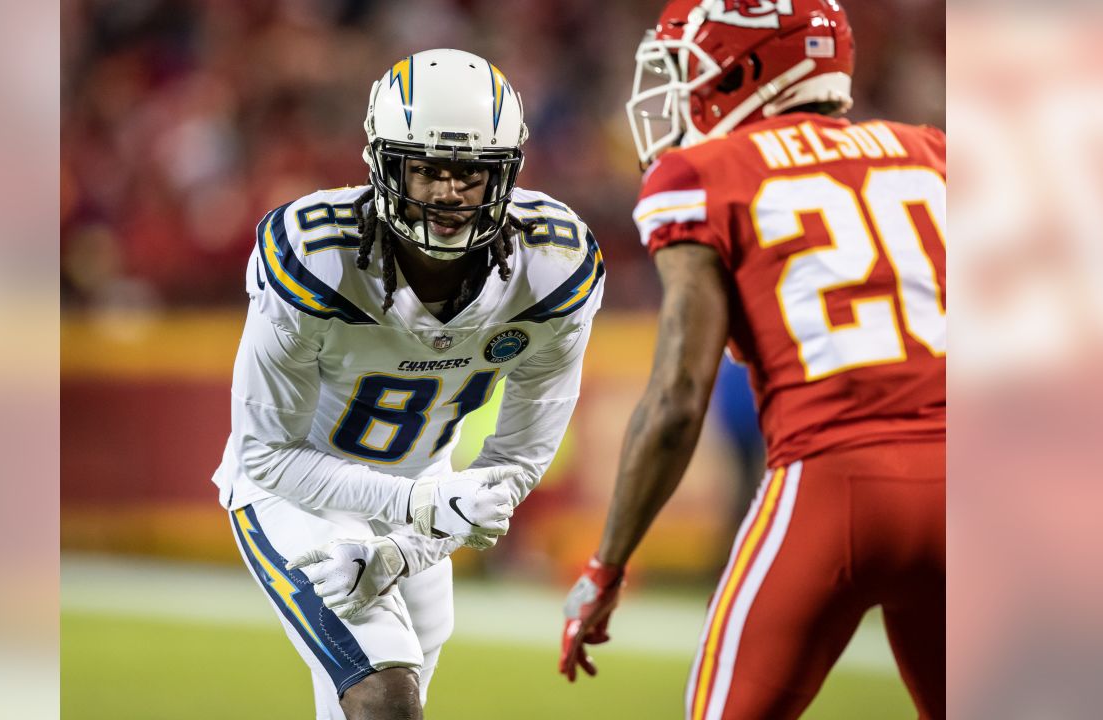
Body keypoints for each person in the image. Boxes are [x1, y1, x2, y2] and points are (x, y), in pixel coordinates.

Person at [559, 1, 945, 718]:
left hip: (833, 484)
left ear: (755, 68)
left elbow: (677, 399)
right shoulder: (934, 151)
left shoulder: (705, 173)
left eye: (691, 71)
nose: (681, 93)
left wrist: (605, 564)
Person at [211, 48, 604, 720]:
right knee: (386, 700)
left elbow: (516, 460)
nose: (448, 193)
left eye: (471, 174)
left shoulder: (554, 267)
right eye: (426, 169)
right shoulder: (317, 257)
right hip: (293, 490)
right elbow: (263, 454)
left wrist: (409, 542)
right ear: (384, 164)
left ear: (505, 174)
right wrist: (424, 508)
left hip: (425, 493)